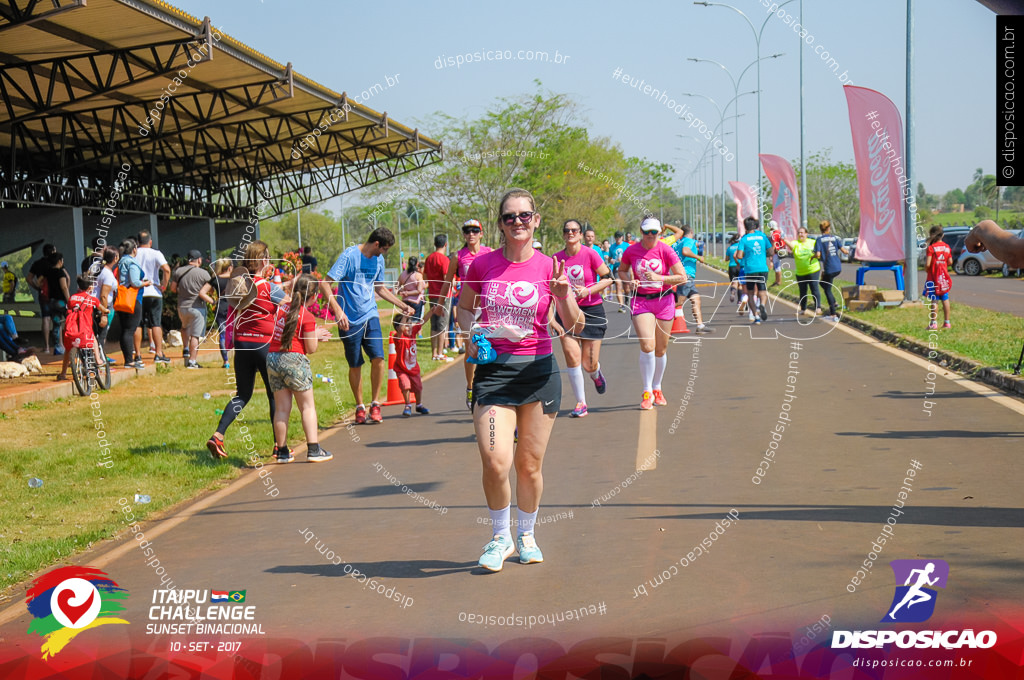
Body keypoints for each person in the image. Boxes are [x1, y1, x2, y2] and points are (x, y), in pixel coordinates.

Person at [458, 188, 582, 572]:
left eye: (524, 216)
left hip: (538, 373)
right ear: (500, 224)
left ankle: (526, 534)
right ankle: (500, 537)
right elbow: (464, 308)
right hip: (495, 373)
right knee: (496, 461)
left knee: (528, 465)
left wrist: (563, 297)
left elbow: (575, 323)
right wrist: (471, 335)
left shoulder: (550, 267)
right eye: (509, 217)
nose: (517, 223)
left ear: (536, 220)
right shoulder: (482, 265)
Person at [206, 240, 289, 459]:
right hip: (264, 343)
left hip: (242, 343)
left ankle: (218, 435)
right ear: (263, 260)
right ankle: (278, 446)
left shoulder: (237, 284)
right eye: (268, 258)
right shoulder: (268, 287)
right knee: (274, 394)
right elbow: (288, 305)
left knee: (242, 394)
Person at [324, 227, 414, 425]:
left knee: (378, 358)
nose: (385, 253)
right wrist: (338, 311)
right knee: (355, 364)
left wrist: (402, 305)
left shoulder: (378, 260)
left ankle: (375, 404)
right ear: (376, 244)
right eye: (385, 249)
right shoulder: (349, 256)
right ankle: (360, 406)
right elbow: (326, 283)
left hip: (370, 314)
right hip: (349, 318)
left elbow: (379, 288)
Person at [619, 217, 688, 410]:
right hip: (641, 300)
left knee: (661, 349)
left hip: (664, 300)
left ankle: (657, 388)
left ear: (659, 233)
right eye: (647, 232)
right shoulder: (631, 250)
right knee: (647, 345)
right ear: (641, 232)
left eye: (654, 233)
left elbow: (682, 277)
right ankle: (647, 390)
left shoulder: (666, 250)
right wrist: (628, 281)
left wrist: (660, 277)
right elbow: (622, 270)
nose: (651, 236)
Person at [266, 273, 334, 463]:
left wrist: (310, 335)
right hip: (294, 359)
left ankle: (282, 451)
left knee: (281, 409)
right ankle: (313, 449)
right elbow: (310, 349)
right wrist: (315, 337)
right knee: (307, 406)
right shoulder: (307, 315)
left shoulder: (280, 310)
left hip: (272, 359)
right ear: (313, 297)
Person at [551, 219, 612, 418]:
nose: (570, 233)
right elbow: (549, 289)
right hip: (566, 312)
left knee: (589, 363)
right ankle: (581, 403)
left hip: (592, 310)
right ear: (563, 234)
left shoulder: (590, 254)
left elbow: (608, 277)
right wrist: (551, 318)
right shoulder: (556, 259)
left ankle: (595, 373)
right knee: (571, 356)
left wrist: (588, 290)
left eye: (574, 230)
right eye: (567, 230)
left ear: (580, 234)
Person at [440, 219, 493, 410]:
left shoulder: (490, 253)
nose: (471, 234)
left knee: (490, 345)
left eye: (475, 231)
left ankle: (488, 386)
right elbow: (447, 282)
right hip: (467, 308)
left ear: (481, 233)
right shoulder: (458, 256)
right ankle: (470, 387)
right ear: (463, 234)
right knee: (472, 345)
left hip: (486, 306)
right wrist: (440, 304)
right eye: (467, 231)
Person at [56, 275, 106, 381]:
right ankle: (98, 359)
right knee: (93, 341)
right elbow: (101, 308)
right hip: (85, 329)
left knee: (68, 350)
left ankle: (63, 373)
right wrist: (106, 311)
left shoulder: (72, 298)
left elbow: (69, 308)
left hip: (72, 329)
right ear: (89, 287)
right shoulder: (91, 299)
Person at [170, 250, 214, 369]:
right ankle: (192, 361)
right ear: (199, 260)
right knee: (195, 335)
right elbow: (211, 290)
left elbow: (173, 288)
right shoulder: (204, 273)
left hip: (182, 307)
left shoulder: (178, 271)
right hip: (197, 307)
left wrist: (183, 292)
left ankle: (185, 349)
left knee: (184, 327)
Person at [133, 230, 171, 364]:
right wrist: (164, 285)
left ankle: (137, 355)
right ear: (150, 242)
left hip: (138, 291)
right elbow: (166, 269)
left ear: (137, 242)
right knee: (156, 323)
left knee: (137, 323)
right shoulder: (156, 253)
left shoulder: (134, 253)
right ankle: (158, 353)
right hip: (154, 291)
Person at [115, 239, 150, 368]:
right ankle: (129, 360)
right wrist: (146, 283)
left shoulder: (121, 262)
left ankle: (128, 359)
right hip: (133, 299)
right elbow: (135, 282)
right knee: (130, 330)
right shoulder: (132, 263)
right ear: (134, 250)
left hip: (122, 298)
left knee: (125, 330)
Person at [672, 224, 713, 334]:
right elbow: (685, 251)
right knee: (679, 302)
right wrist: (698, 257)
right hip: (686, 275)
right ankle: (660, 320)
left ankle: (700, 326)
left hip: (684, 274)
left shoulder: (677, 243)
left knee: (696, 299)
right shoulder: (688, 241)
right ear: (691, 231)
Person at [391, 313, 430, 417]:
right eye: (406, 325)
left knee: (418, 387)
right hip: (401, 368)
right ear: (398, 327)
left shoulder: (413, 333)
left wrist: (432, 311)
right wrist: (405, 315)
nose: (409, 327)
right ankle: (407, 405)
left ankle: (419, 405)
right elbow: (401, 328)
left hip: (413, 367)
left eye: (410, 324)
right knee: (405, 385)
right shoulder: (398, 337)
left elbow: (422, 322)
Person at [737, 217, 774, 325]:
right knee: (762, 290)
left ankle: (756, 318)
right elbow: (771, 251)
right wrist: (763, 253)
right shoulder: (762, 236)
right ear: (755, 225)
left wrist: (747, 253)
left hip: (750, 269)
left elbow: (739, 255)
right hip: (763, 268)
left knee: (750, 293)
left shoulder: (744, 239)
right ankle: (761, 305)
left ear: (745, 226)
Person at [423, 234, 452, 362]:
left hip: (432, 294)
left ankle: (434, 353)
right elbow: (446, 278)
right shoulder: (444, 259)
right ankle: (440, 353)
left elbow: (424, 277)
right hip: (444, 295)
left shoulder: (429, 258)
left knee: (434, 324)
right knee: (442, 325)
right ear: (445, 244)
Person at [813, 220, 847, 322]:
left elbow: (818, 255)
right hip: (837, 267)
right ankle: (834, 302)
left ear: (821, 229)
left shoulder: (819, 240)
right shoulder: (834, 238)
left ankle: (833, 313)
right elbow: (844, 251)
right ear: (829, 228)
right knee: (823, 284)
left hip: (829, 268)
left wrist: (812, 257)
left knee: (827, 289)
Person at [785, 226, 822, 317]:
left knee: (814, 288)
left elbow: (819, 252)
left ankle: (818, 307)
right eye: (799, 233)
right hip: (800, 272)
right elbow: (791, 246)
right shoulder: (795, 243)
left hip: (813, 270)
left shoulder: (813, 242)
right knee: (803, 291)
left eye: (802, 232)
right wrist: (784, 239)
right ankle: (803, 309)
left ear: (806, 234)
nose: (800, 234)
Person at [90, 247, 119, 361]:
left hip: (89, 304)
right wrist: (104, 314)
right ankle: (99, 361)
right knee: (100, 336)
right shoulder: (107, 274)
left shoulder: (95, 266)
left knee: (91, 334)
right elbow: (103, 296)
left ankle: (92, 360)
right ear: (115, 258)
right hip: (100, 307)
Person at [27, 244, 56, 353]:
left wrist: (37, 288)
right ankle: (59, 345)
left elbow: (29, 278)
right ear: (53, 251)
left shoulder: (37, 264)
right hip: (55, 294)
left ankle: (47, 346)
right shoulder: (55, 262)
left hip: (43, 294)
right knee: (58, 319)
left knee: (46, 318)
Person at [924, 226, 953, 330]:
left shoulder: (931, 248)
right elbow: (950, 262)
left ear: (931, 236)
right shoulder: (947, 247)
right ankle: (947, 323)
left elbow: (928, 264)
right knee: (945, 299)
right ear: (943, 235)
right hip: (943, 278)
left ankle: (933, 323)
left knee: (934, 300)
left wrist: (927, 269)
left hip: (933, 278)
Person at [207, 259, 233, 368]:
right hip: (233, 307)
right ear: (230, 268)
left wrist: (213, 301)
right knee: (236, 333)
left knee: (223, 335)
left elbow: (202, 292)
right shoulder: (235, 279)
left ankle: (226, 361)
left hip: (221, 307)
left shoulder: (215, 279)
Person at [45, 252, 72, 356]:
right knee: (70, 320)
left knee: (56, 324)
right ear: (60, 261)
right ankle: (71, 344)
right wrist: (69, 300)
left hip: (51, 301)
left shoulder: (48, 272)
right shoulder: (60, 272)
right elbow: (64, 287)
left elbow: (40, 282)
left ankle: (58, 348)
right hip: (60, 301)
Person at [398, 256, 426, 322]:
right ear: (417, 264)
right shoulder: (418, 275)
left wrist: (403, 292)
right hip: (416, 301)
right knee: (415, 322)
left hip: (405, 301)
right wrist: (408, 293)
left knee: (405, 321)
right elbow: (419, 290)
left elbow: (396, 285)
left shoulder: (403, 274)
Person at [608, 231, 628, 309]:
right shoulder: (612, 247)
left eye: (619, 237)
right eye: (616, 237)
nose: (618, 238)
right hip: (617, 269)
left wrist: (623, 259)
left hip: (626, 268)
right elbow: (610, 258)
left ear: (622, 237)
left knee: (627, 288)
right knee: (618, 284)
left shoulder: (626, 245)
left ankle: (626, 298)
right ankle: (621, 305)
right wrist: (611, 261)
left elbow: (631, 256)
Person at [725, 235, 743, 304]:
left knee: (734, 283)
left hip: (732, 267)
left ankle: (733, 292)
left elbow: (726, 259)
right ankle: (739, 300)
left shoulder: (730, 248)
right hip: (740, 266)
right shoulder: (741, 247)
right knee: (740, 284)